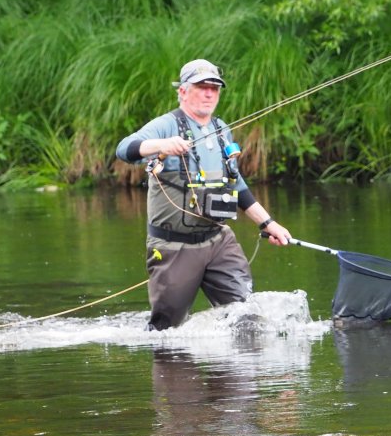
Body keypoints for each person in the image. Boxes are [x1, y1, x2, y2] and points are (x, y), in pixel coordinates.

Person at [116, 59, 291, 329]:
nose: (209, 93)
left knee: (246, 318)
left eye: (214, 88)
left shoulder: (222, 130)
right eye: (201, 87)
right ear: (183, 91)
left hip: (219, 241)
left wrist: (268, 223)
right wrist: (163, 144)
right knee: (166, 333)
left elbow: (238, 185)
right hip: (174, 246)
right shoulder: (166, 125)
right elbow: (124, 149)